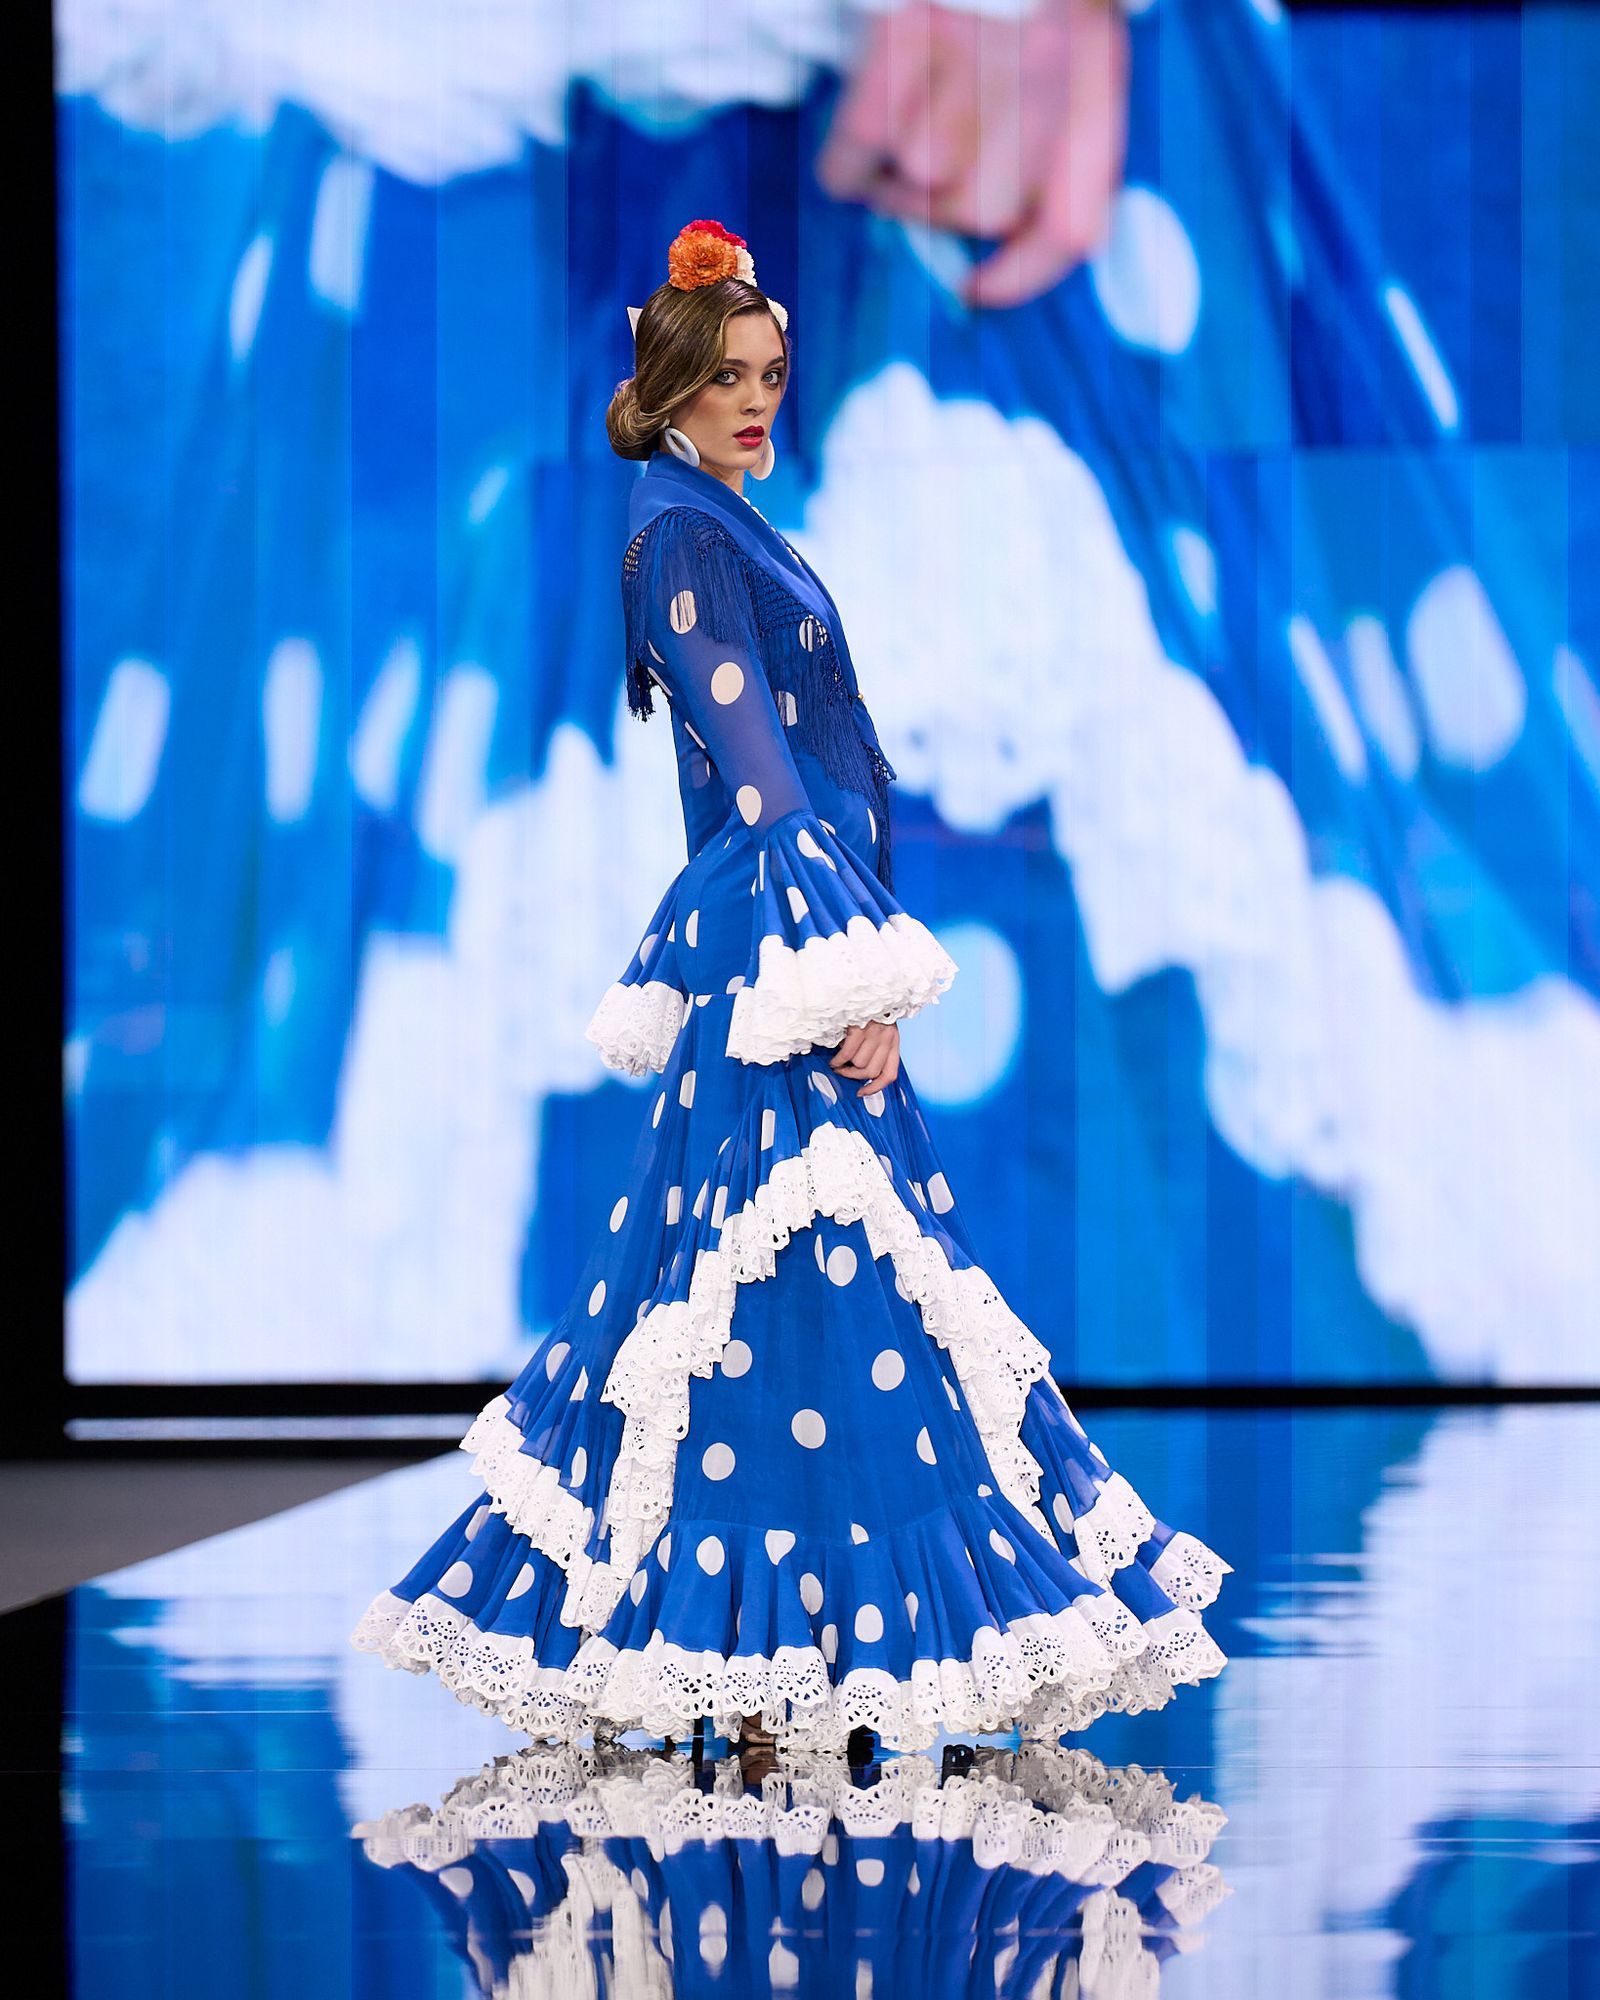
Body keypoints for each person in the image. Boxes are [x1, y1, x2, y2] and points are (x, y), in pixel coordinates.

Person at [351, 218, 1230, 1756]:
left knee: (802, 1292)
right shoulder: (686, 536)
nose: (758, 400)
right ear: (673, 387)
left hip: (794, 942)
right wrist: (844, 978)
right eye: (729, 377)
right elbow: (764, 787)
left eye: (770, 373)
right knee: (788, 1283)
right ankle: (779, 1647)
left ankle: (783, 1653)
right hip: (779, 952)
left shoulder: (719, 522)